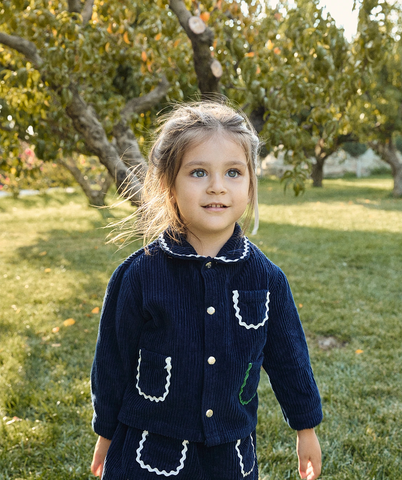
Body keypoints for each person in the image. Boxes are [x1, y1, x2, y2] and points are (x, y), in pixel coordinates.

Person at [90, 102, 323, 480]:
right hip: (150, 447)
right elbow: (111, 363)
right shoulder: (138, 275)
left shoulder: (267, 279)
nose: (217, 186)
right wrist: (105, 434)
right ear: (170, 185)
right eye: (198, 172)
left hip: (230, 455)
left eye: (233, 172)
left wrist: (305, 429)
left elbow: (290, 359)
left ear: (250, 185)